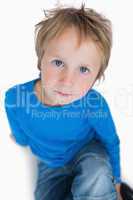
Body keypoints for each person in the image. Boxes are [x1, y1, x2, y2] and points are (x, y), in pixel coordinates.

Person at [4, 3, 123, 200]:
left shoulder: (93, 103)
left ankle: (103, 190)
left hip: (87, 151)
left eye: (83, 69)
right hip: (50, 162)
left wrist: (116, 181)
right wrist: (20, 138)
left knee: (96, 174)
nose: (67, 81)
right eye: (58, 63)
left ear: (96, 77)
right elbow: (18, 131)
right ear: (40, 58)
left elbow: (111, 141)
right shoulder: (16, 99)